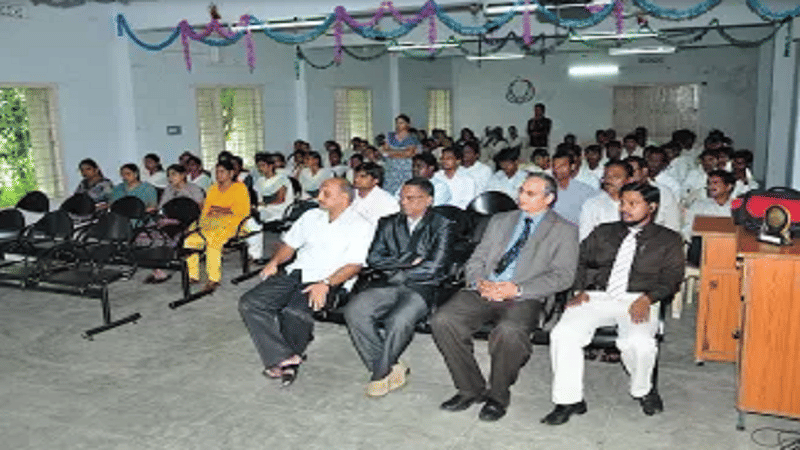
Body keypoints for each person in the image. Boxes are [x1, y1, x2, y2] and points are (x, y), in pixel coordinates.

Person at [432, 173, 579, 422]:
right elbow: (477, 258)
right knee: (443, 320)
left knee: (509, 332)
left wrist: (517, 289)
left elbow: (563, 277)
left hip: (526, 296)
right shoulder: (500, 220)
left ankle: (497, 396)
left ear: (549, 199)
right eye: (521, 190)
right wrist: (480, 283)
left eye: (530, 194)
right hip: (486, 288)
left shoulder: (565, 230)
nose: (521, 196)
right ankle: (470, 388)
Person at [542, 183, 684, 425]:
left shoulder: (668, 240)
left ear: (652, 206)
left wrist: (649, 298)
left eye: (633, 204)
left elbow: (672, 278)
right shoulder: (604, 232)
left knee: (639, 344)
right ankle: (569, 400)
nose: (624, 209)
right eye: (622, 203)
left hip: (639, 298)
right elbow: (578, 259)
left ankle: (643, 389)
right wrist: (578, 289)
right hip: (597, 296)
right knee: (563, 334)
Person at [238, 178, 372, 386]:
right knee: (251, 303)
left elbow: (354, 266)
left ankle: (286, 362)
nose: (319, 197)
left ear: (344, 198)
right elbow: (289, 245)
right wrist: (274, 262)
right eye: (320, 192)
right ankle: (285, 356)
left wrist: (326, 284)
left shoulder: (361, 225)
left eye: (326, 194)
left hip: (330, 280)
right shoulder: (311, 216)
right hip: (296, 273)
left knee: (294, 311)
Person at [345, 177, 455, 397]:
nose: (404, 202)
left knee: (399, 320)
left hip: (422, 287)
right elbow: (374, 258)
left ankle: (379, 373)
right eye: (402, 197)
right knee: (354, 311)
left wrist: (395, 266)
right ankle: (393, 366)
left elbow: (434, 268)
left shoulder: (443, 226)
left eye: (411, 198)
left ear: (428, 200)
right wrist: (408, 260)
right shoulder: (387, 223)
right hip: (386, 284)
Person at [183, 160, 250, 291]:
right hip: (210, 223)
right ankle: (193, 275)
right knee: (190, 240)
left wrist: (219, 210)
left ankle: (213, 279)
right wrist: (220, 211)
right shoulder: (213, 188)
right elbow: (206, 210)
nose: (218, 175)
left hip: (232, 224)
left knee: (213, 241)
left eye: (222, 172)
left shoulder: (240, 188)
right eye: (217, 172)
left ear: (231, 173)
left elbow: (242, 211)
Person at [143, 164, 206, 284]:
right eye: (168, 175)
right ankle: (157, 266)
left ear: (183, 175)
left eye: (174, 174)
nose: (170, 178)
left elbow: (201, 210)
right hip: (169, 220)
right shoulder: (169, 189)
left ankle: (164, 268)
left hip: (188, 221)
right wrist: (161, 218)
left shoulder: (193, 189)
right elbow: (162, 208)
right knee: (151, 233)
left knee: (170, 235)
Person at [624, 156, 681, 233]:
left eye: (632, 172)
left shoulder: (664, 193)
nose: (628, 176)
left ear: (644, 171)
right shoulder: (621, 193)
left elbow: (673, 225)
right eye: (625, 172)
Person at [579, 160, 633, 241]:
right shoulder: (592, 204)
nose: (609, 181)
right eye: (606, 176)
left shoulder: (638, 203)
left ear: (629, 180)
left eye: (615, 177)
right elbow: (584, 238)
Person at [683, 170, 736, 240]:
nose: (711, 186)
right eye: (709, 183)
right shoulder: (699, 205)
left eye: (715, 183)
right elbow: (687, 229)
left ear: (728, 186)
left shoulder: (738, 207)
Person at [550, 151, 597, 227]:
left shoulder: (586, 191)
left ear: (572, 167)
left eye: (562, 166)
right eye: (555, 166)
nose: (557, 169)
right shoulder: (546, 189)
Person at [350, 162, 400, 227]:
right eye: (356, 175)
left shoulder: (388, 202)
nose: (356, 179)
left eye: (362, 176)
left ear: (375, 180)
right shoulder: (349, 195)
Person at [381, 114, 420, 195]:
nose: (398, 125)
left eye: (401, 123)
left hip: (405, 170)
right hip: (391, 170)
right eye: (397, 123)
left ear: (407, 124)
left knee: (404, 192)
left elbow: (409, 154)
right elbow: (384, 152)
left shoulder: (412, 138)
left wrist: (392, 152)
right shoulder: (390, 136)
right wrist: (402, 152)